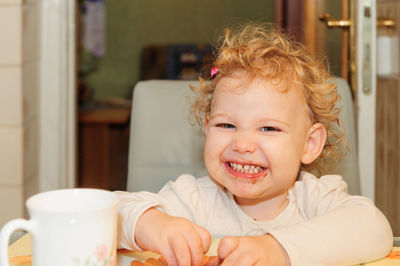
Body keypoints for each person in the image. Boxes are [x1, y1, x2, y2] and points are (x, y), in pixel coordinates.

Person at [115, 23, 393, 266]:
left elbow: (375, 228)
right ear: (207, 127)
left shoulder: (314, 198)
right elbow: (108, 210)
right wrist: (150, 223)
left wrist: (278, 250)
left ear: (309, 144)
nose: (243, 144)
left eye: (268, 128)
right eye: (226, 125)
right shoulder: (193, 199)